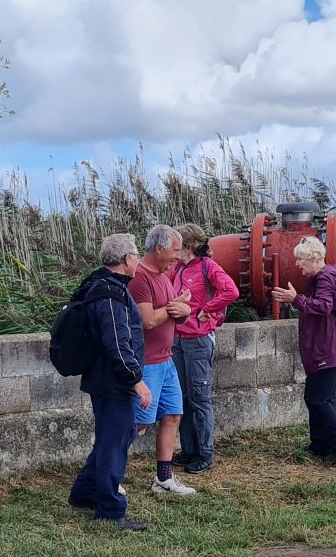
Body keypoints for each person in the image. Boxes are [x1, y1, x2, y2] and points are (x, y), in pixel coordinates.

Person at [68, 233, 153, 531]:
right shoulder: (110, 293)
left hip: (104, 379)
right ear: (128, 260)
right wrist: (136, 380)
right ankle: (110, 509)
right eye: (137, 256)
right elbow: (117, 343)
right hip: (112, 382)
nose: (139, 261)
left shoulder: (100, 285)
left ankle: (84, 492)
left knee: (117, 436)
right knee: (114, 443)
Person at [271, 236, 336, 464]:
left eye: (300, 259)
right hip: (328, 347)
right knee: (321, 398)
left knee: (317, 399)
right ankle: (320, 444)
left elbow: (323, 306)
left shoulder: (325, 278)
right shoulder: (326, 276)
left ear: (313, 258)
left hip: (327, 348)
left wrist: (295, 299)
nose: (298, 264)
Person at [128, 224, 197, 495]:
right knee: (139, 422)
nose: (178, 257)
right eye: (175, 250)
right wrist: (173, 309)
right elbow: (147, 320)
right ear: (159, 248)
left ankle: (163, 478)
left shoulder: (164, 274)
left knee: (172, 415)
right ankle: (108, 471)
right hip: (147, 363)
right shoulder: (140, 278)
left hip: (165, 360)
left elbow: (172, 312)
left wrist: (184, 309)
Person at [170, 224, 239, 474]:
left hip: (198, 339)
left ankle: (205, 453)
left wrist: (207, 309)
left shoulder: (207, 266)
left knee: (200, 399)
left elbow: (231, 291)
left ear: (188, 246)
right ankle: (189, 450)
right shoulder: (177, 268)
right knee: (184, 398)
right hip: (178, 340)